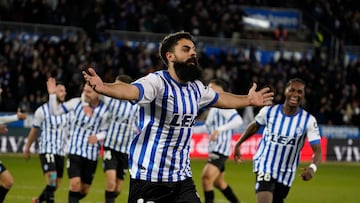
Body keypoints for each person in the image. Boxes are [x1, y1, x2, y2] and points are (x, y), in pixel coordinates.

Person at [82, 31, 274, 203]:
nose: (193, 53)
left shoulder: (196, 88)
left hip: (181, 178)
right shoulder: (156, 82)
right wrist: (105, 87)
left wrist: (248, 100)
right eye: (186, 49)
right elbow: (131, 90)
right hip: (150, 179)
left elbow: (221, 98)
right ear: (170, 56)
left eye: (193, 49)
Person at [233, 78, 322, 203]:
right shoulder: (269, 111)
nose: (295, 94)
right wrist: (238, 144)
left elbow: (318, 150)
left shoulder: (308, 120)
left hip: (287, 172)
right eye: (292, 90)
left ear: (303, 95)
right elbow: (254, 126)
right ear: (285, 91)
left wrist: (313, 168)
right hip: (265, 165)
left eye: (299, 92)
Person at [47, 79, 110, 203]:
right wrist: (52, 95)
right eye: (84, 91)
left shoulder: (105, 111)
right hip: (75, 151)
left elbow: (106, 130)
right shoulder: (76, 103)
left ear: (97, 93)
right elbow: (55, 112)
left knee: (84, 190)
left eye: (89, 91)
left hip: (92, 155)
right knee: (75, 184)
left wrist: (97, 137)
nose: (85, 93)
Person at [24, 80, 70, 203]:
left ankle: (38, 200)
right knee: (52, 179)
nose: (64, 93)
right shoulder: (41, 111)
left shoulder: (67, 112)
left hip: (60, 152)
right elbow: (34, 131)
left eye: (65, 91)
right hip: (47, 149)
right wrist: (27, 148)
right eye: (61, 90)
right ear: (53, 92)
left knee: (56, 185)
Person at [197, 79, 243, 203]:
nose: (208, 90)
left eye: (211, 87)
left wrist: (219, 130)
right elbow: (207, 128)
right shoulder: (214, 107)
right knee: (218, 182)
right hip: (215, 149)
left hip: (220, 149)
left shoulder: (225, 105)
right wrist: (188, 130)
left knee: (206, 178)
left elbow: (238, 120)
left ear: (219, 89)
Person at [101, 75, 140, 203]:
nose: (115, 87)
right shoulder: (111, 101)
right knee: (111, 183)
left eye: (118, 85)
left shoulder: (136, 106)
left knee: (117, 188)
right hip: (110, 147)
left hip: (125, 151)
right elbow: (95, 91)